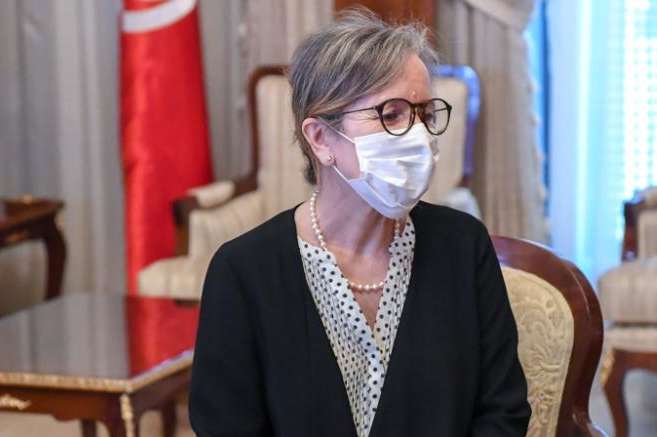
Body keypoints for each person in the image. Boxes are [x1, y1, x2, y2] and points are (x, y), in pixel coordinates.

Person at [189, 8, 531, 437]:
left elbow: (503, 412)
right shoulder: (243, 271)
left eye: (425, 115)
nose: (419, 136)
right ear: (320, 138)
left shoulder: (463, 246)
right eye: (392, 114)